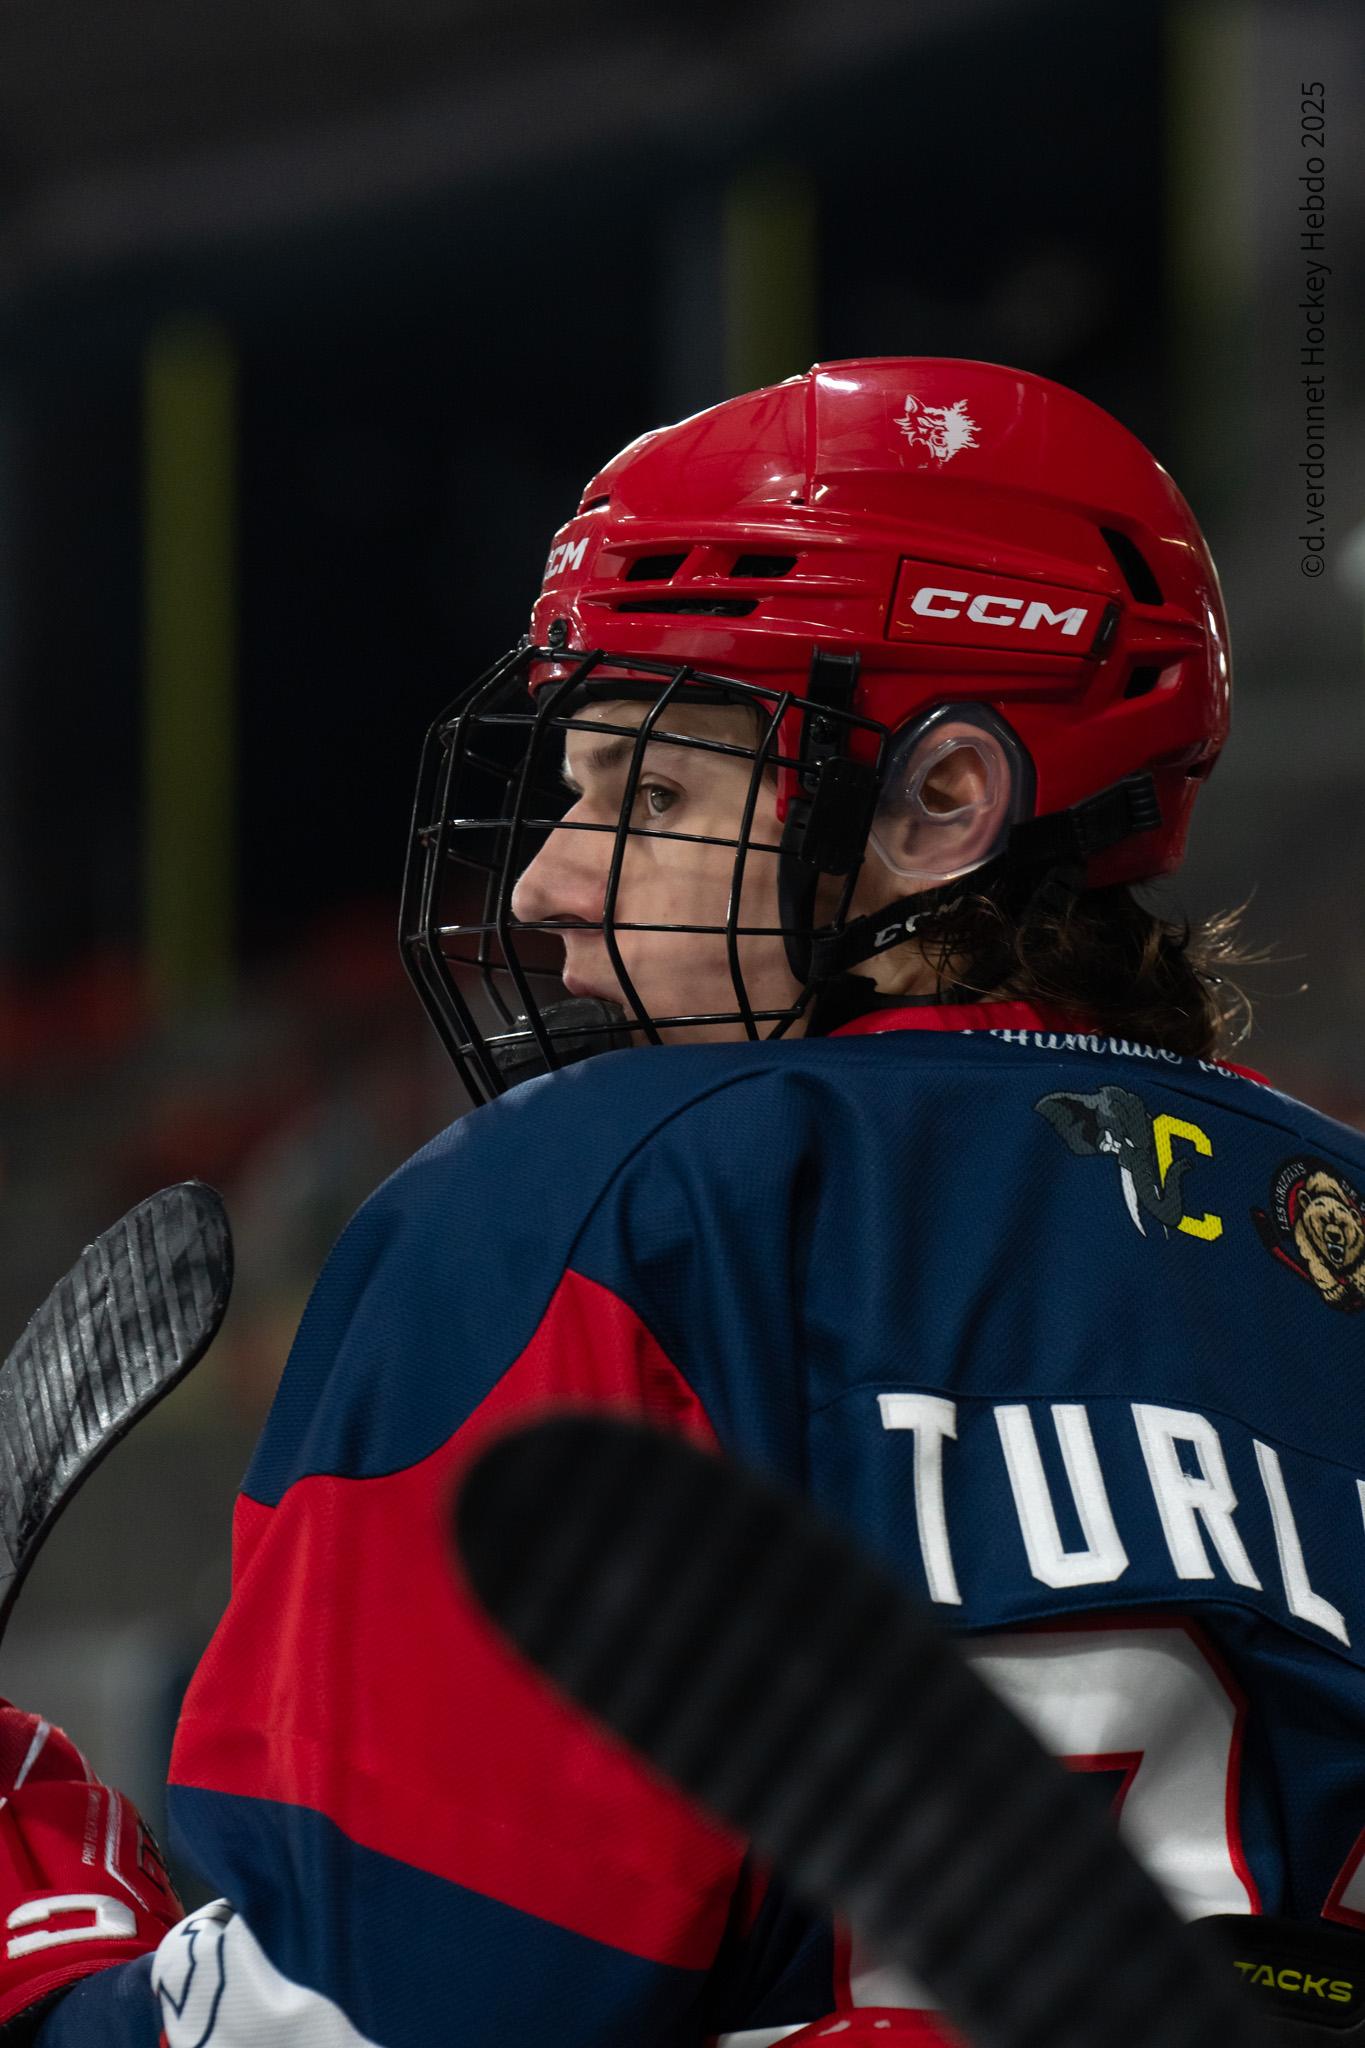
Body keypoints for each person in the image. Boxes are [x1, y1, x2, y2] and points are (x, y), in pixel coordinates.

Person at [5, 356, 1365, 2048]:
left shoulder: (598, 1197)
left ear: (945, 802)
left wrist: (37, 1925)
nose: (546, 884)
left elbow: (390, 2022)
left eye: (652, 796)